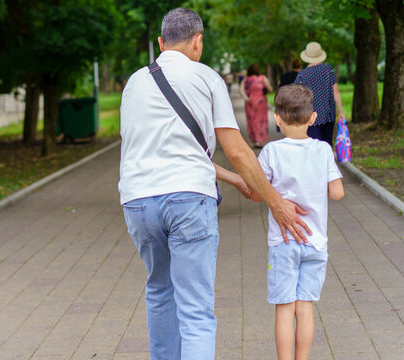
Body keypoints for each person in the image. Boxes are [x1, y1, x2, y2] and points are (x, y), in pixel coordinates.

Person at [119, 8, 312, 360]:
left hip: (138, 201)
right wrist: (276, 203)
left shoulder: (134, 82)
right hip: (189, 201)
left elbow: (168, 151)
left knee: (160, 292)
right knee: (195, 307)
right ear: (198, 41)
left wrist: (236, 180)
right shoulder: (206, 78)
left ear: (161, 43)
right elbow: (237, 150)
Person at [257, 84, 345, 360]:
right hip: (315, 242)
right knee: (304, 306)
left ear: (277, 119)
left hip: (283, 243)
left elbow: (258, 192)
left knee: (284, 307)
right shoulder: (322, 150)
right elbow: (337, 192)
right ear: (313, 118)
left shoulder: (271, 152)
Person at [295, 42, 345, 146]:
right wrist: (340, 111)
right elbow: (336, 91)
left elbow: (297, 96)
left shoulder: (302, 74)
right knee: (326, 146)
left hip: (310, 117)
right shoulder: (328, 70)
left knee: (312, 147)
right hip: (328, 115)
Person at [239, 63, 273, 148]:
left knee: (251, 120)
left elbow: (241, 90)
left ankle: (254, 140)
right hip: (261, 102)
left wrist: (246, 98)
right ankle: (259, 140)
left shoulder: (246, 79)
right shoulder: (262, 78)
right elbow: (270, 89)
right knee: (261, 121)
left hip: (250, 102)